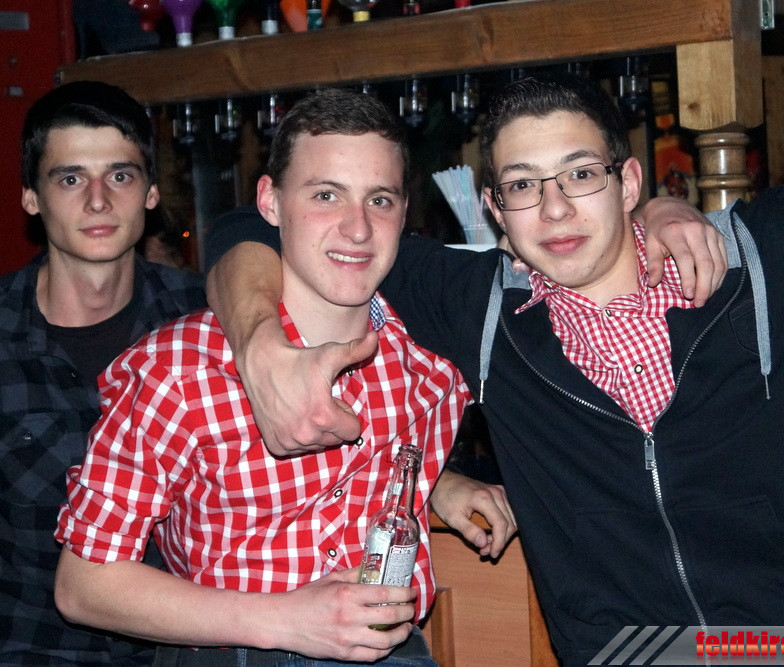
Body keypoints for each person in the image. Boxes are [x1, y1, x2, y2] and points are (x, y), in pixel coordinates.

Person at [203, 74, 784, 664]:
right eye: (524, 186)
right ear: (494, 210)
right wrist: (259, 343)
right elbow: (255, 225)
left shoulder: (767, 259)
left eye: (581, 174)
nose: (554, 209)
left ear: (629, 181)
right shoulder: (482, 309)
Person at [53, 87, 514, 665]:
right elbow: (83, 585)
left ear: (403, 214)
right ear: (269, 203)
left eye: (379, 200)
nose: (357, 229)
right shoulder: (178, 368)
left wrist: (439, 481)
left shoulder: (432, 370)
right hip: (234, 651)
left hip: (394, 651)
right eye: (326, 195)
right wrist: (289, 620)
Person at [0, 80, 206, 665]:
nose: (97, 200)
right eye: (70, 179)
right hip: (34, 651)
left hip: (187, 648)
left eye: (119, 175)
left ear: (151, 193)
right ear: (31, 198)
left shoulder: (208, 320)